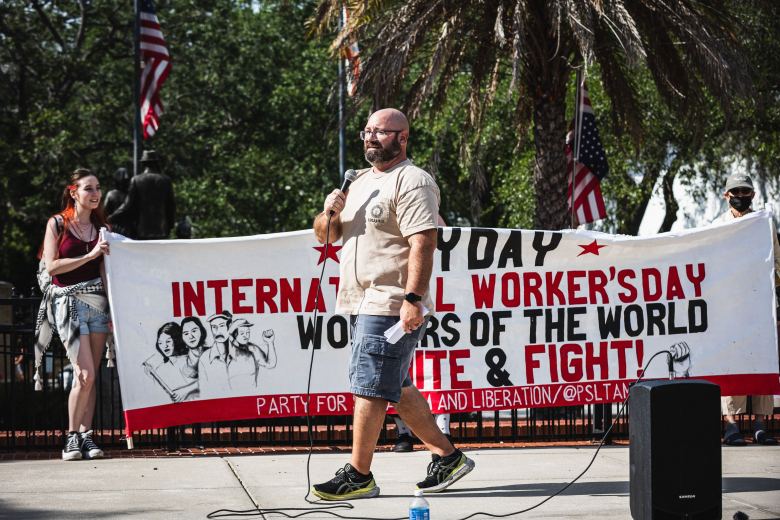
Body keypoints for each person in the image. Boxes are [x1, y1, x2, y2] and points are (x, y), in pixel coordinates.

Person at [311, 108, 474, 501]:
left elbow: (424, 240)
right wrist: (329, 210)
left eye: (381, 132)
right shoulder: (359, 182)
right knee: (395, 386)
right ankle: (448, 457)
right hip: (358, 299)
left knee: (369, 385)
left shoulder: (413, 181)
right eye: (367, 131)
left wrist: (413, 300)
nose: (370, 138)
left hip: (389, 300)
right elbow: (327, 235)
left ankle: (359, 474)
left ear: (402, 138)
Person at [34, 168, 111, 461]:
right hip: (68, 304)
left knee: (92, 378)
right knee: (85, 373)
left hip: (98, 305)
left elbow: (107, 273)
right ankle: (70, 437)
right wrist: (90, 256)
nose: (95, 194)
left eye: (97, 188)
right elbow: (52, 267)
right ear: (73, 192)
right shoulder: (57, 223)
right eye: (88, 188)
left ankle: (86, 435)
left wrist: (114, 311)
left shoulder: (103, 227)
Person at [716, 173, 779, 446]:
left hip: (760, 305)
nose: (741, 195)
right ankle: (730, 426)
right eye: (735, 191)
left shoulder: (763, 225)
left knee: (761, 361)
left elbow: (776, 261)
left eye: (745, 191)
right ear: (726, 195)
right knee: (731, 364)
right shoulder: (716, 228)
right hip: (729, 307)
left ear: (752, 195)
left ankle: (760, 425)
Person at [109, 150, 175, 240]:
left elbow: (127, 205)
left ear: (143, 164)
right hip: (162, 229)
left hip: (142, 230)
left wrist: (111, 217)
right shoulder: (166, 180)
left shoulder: (136, 180)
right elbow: (171, 206)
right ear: (156, 163)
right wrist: (170, 225)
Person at [142, 322, 197, 402]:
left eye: (168, 341)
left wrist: (184, 392)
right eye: (160, 343)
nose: (165, 346)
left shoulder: (191, 360)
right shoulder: (160, 369)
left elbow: (207, 382)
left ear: (177, 340)